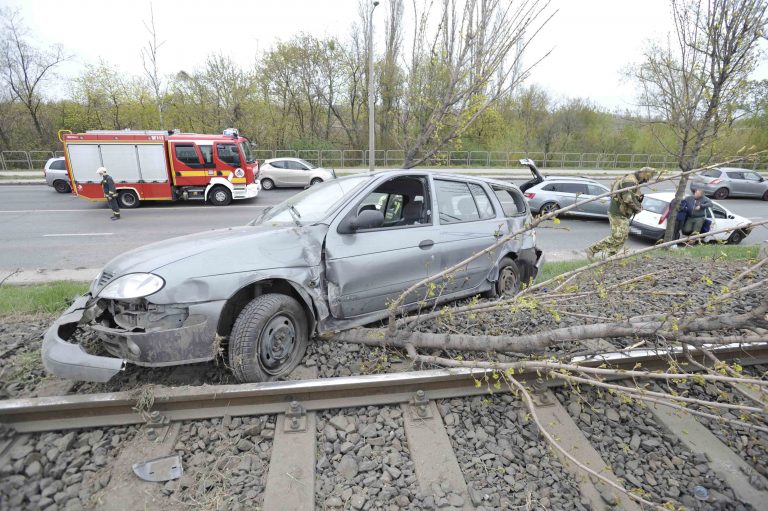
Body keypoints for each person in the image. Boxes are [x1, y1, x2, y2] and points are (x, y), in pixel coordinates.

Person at [586, 167, 656, 259]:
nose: (646, 181)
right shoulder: (630, 181)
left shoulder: (633, 180)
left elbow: (631, 196)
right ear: (643, 173)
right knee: (617, 236)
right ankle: (592, 249)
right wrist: (638, 208)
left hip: (623, 213)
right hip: (618, 212)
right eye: (647, 178)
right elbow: (627, 199)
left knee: (623, 237)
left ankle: (610, 257)